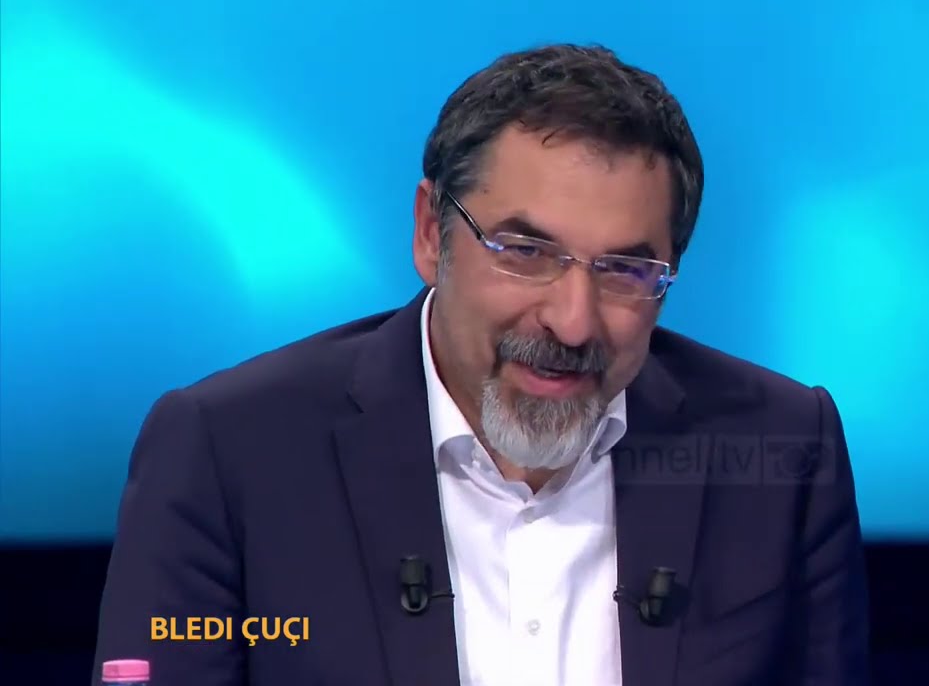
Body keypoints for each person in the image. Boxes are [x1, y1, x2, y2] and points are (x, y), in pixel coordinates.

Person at [93, 43, 871, 686]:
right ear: (432, 234)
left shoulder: (782, 449)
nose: (572, 321)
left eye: (625, 271)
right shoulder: (230, 453)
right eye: (525, 251)